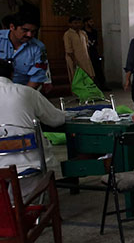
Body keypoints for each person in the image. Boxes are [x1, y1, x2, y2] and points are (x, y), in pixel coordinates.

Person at [0, 60, 64, 197]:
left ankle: (9, 209)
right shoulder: (26, 92)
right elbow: (56, 120)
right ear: (12, 75)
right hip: (30, 167)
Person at [0, 10, 49, 89]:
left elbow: (37, 76)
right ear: (12, 27)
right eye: (25, 30)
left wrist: (23, 95)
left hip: (23, 89)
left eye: (33, 32)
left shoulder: (39, 47)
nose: (29, 35)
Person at [63, 16, 95, 83]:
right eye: (75, 23)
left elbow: (87, 45)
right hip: (74, 59)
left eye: (79, 23)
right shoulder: (67, 34)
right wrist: (75, 61)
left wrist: (88, 57)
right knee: (77, 79)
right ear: (70, 24)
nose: (77, 25)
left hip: (85, 59)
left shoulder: (83, 33)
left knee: (89, 76)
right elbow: (68, 50)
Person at [83, 17, 107, 89]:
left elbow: (97, 42)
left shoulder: (94, 31)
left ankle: (102, 85)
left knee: (98, 68)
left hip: (94, 52)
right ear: (86, 23)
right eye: (90, 22)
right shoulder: (83, 32)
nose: (92, 23)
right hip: (87, 52)